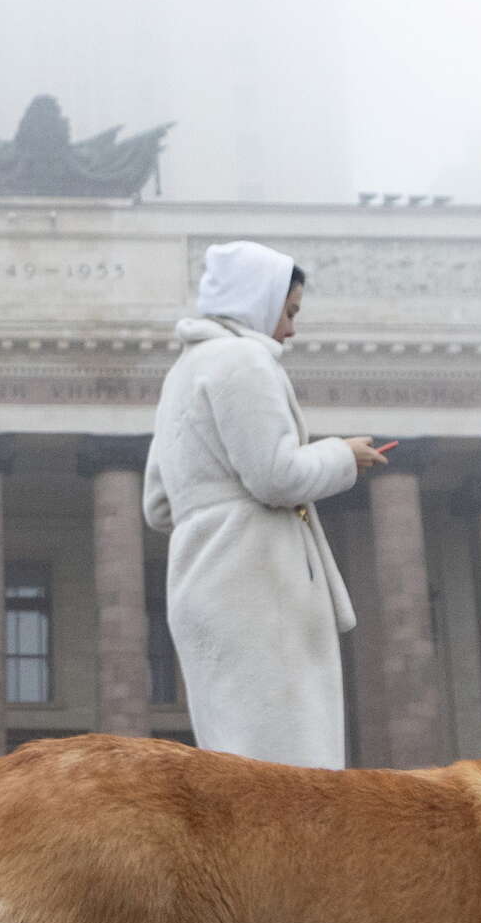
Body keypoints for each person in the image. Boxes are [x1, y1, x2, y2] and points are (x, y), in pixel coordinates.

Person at [144, 240, 390, 768]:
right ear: (258, 300)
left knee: (235, 759)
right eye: (289, 311)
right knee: (289, 767)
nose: (291, 330)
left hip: (200, 578)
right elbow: (275, 478)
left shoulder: (181, 374)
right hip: (257, 578)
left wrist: (207, 507)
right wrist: (342, 455)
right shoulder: (243, 360)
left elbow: (158, 505)